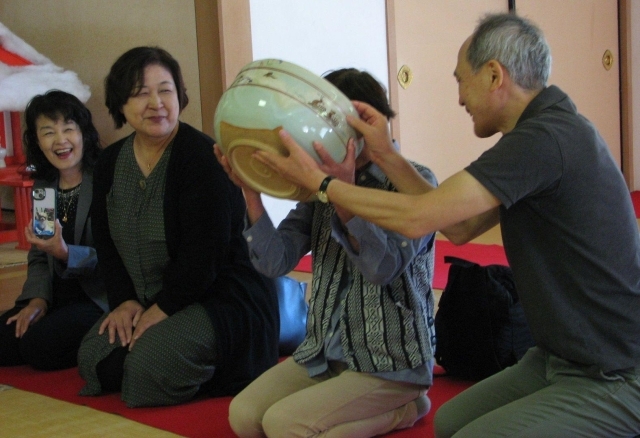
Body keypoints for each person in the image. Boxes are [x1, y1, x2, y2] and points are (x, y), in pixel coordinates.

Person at [253, 13, 640, 437]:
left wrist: (325, 185)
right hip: (556, 358)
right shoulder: (541, 132)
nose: (459, 98)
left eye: (461, 80)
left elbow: (421, 217)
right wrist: (384, 156)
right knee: (450, 423)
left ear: (494, 75)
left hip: (615, 370)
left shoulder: (544, 139)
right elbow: (462, 227)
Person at [221, 68, 438, 437]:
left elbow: (382, 268)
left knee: (284, 424)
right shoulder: (318, 185)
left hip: (389, 360)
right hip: (324, 352)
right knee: (244, 417)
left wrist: (342, 192)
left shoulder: (415, 181)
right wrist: (251, 192)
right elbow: (275, 261)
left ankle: (406, 407)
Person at [77, 46, 279, 408]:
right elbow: (105, 241)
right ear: (121, 104)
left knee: (146, 366)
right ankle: (166, 356)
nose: (156, 103)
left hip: (219, 298)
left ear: (180, 96)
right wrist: (123, 302)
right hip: (146, 296)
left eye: (165, 90)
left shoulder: (203, 158)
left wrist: (162, 310)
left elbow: (206, 255)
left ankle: (219, 367)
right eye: (141, 93)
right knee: (95, 354)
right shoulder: (109, 162)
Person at [0, 90, 107, 370]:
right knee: (7, 337)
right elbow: (38, 254)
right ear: (37, 140)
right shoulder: (45, 187)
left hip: (96, 295)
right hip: (55, 294)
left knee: (39, 347)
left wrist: (65, 252)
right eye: (48, 132)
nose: (60, 141)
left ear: (83, 133)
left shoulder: (106, 182)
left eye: (68, 129)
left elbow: (117, 255)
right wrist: (37, 299)